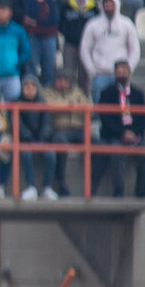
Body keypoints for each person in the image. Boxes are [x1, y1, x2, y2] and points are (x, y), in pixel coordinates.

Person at [92, 60, 145, 198]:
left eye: (124, 71)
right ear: (114, 74)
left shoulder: (138, 93)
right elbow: (105, 119)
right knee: (116, 154)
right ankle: (118, 192)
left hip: (135, 135)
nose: (121, 74)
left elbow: (144, 118)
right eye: (118, 71)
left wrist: (134, 133)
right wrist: (122, 133)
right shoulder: (106, 93)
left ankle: (144, 191)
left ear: (129, 73)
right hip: (114, 135)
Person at [79, 0, 140, 103]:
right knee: (99, 106)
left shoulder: (126, 24)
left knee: (122, 105)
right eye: (106, 3)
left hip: (121, 76)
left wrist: (128, 69)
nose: (108, 6)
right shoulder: (93, 24)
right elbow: (84, 49)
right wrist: (91, 70)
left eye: (111, 3)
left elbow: (135, 49)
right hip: (100, 75)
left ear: (116, 4)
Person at [41, 67, 88, 197]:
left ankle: (93, 187)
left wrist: (69, 105)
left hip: (79, 128)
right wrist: (69, 105)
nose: (62, 83)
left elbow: (88, 108)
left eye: (65, 80)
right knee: (60, 142)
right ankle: (61, 182)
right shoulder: (46, 92)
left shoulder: (77, 92)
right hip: (59, 129)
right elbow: (49, 106)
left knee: (99, 146)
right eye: (59, 80)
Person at [14, 74, 57, 200]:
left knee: (51, 155)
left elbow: (47, 124)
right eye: (26, 86)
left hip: (41, 140)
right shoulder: (16, 103)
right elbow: (18, 125)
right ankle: (30, 187)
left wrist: (41, 138)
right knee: (26, 154)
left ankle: (47, 187)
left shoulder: (43, 104)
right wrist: (28, 138)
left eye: (33, 86)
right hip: (25, 140)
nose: (29, 88)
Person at [0, 0, 29, 101]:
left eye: (3, 10)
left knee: (14, 107)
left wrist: (15, 64)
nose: (0, 13)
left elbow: (26, 51)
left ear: (10, 12)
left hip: (12, 76)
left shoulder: (18, 30)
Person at [19, 0, 57, 85]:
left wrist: (38, 21)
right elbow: (29, 14)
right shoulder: (29, 1)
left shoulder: (51, 1)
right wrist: (39, 4)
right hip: (33, 36)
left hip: (49, 37)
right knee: (31, 66)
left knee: (49, 66)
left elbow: (53, 19)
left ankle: (48, 90)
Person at [59, 0, 98, 87]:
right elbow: (60, 23)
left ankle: (83, 99)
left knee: (84, 75)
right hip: (70, 44)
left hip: (87, 45)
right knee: (68, 73)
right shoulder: (66, 6)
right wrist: (67, 33)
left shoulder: (93, 7)